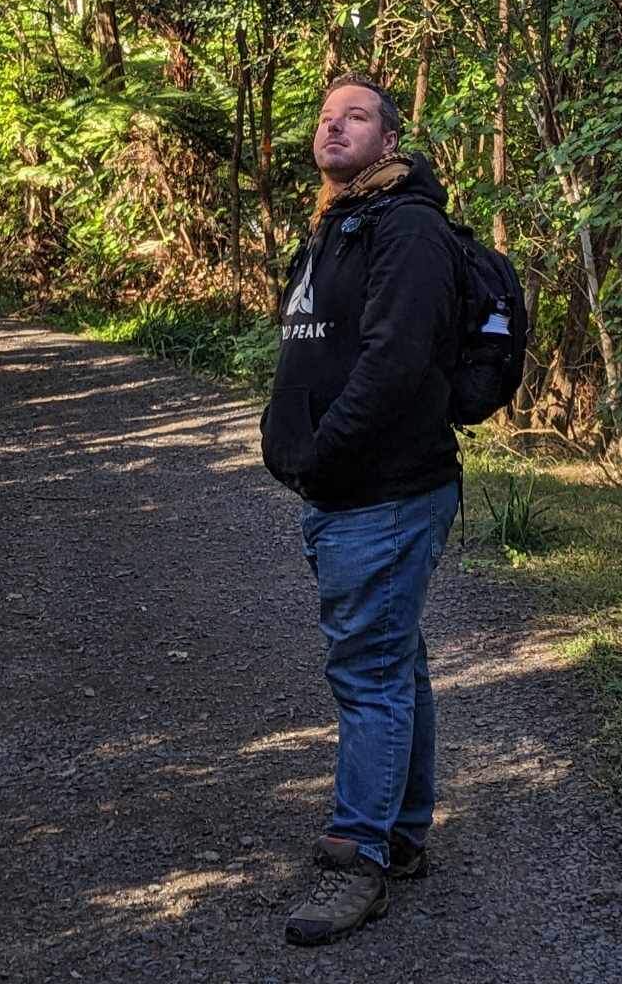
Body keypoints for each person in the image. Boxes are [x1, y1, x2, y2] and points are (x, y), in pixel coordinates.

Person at [260, 74, 462, 949]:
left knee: (368, 674)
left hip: (383, 489)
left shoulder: (407, 229)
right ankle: (405, 831)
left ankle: (361, 859)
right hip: (348, 490)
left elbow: (394, 362)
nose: (335, 125)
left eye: (357, 115)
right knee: (394, 659)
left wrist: (318, 453)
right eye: (325, 116)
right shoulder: (336, 224)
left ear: (389, 140)